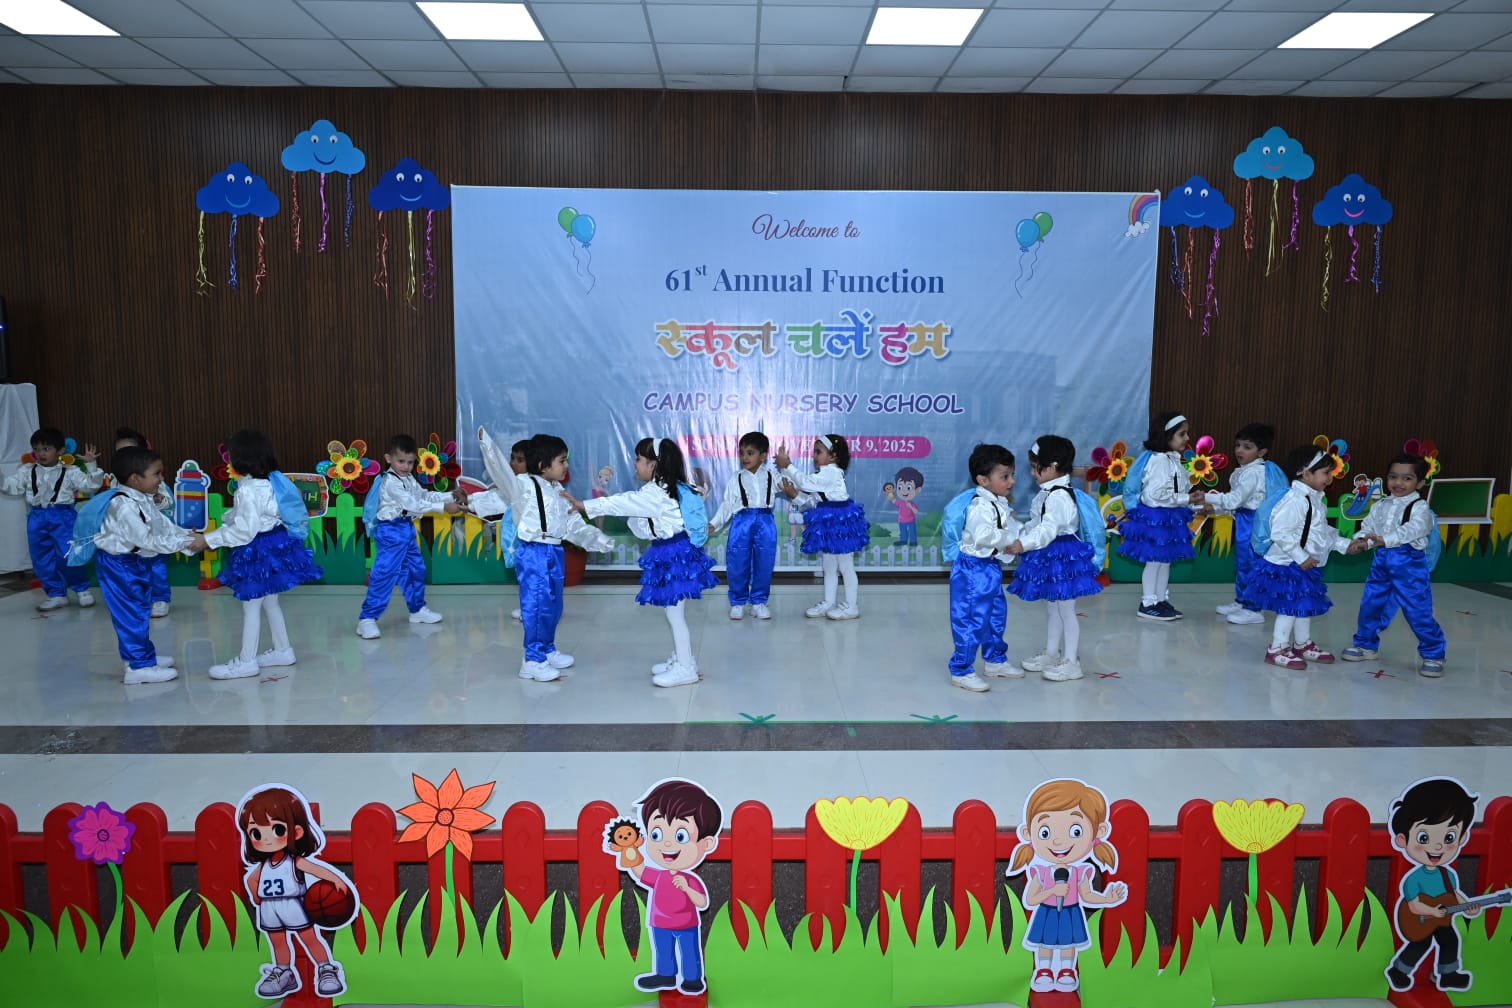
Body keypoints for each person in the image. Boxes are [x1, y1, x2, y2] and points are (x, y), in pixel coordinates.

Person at [574, 437, 717, 688]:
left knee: (675, 614)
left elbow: (622, 502)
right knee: (673, 612)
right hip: (674, 550)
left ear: (654, 464)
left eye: (639, 458)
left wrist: (584, 506)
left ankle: (685, 667)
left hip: (672, 553)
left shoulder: (656, 493)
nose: (635, 463)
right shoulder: (669, 487)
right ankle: (683, 659)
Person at [187, 429, 323, 680]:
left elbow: (244, 530)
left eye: (230, 454)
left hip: (257, 549)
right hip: (274, 543)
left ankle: (246, 661)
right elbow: (247, 516)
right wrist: (218, 530)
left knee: (251, 607)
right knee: (270, 602)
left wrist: (208, 540)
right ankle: (283, 650)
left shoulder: (248, 489)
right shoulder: (270, 481)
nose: (228, 459)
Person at [1249, 444, 1367, 670]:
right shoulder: (1295, 500)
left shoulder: (1314, 500)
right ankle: (1277, 648)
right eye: (1325, 472)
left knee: (1303, 605)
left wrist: (1345, 545)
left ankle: (1302, 644)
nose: (1330, 478)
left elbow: (1321, 533)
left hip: (1303, 565)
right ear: (1305, 473)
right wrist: (1301, 556)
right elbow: (1280, 533)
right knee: (1290, 608)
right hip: (1288, 564)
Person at [1007, 779, 1128, 993]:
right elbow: (1031, 899)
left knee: (1068, 944)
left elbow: (1087, 895)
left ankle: (1066, 971)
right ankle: (1044, 970)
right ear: (1028, 833)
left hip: (1071, 912)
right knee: (1044, 943)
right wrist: (1052, 891)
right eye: (1045, 832)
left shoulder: (1080, 872)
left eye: (1076, 831)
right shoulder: (1041, 872)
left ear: (1098, 831)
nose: (1058, 842)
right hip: (1046, 912)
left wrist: (1106, 899)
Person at [87, 446, 196, 684]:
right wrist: (186, 543)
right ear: (135, 479)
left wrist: (189, 538)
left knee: (139, 610)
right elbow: (147, 539)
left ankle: (140, 657)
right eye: (156, 474)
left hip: (133, 562)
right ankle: (139, 668)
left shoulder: (141, 498)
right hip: (119, 565)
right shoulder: (123, 505)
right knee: (132, 614)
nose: (161, 479)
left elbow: (162, 526)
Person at [510, 433, 613, 682]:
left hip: (554, 552)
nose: (566, 465)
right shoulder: (525, 484)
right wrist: (467, 501)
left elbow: (572, 523)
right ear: (543, 465)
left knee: (553, 605)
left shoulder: (557, 489)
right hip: (534, 552)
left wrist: (597, 539)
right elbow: (498, 495)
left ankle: (546, 648)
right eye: (562, 460)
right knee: (536, 605)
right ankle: (532, 660)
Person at [238, 784, 354, 999]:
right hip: (269, 907)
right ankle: (284, 972)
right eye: (256, 832)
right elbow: (252, 880)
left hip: (293, 904)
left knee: (310, 938)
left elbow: (316, 869)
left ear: (297, 831)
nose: (265, 838)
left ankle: (326, 969)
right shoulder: (264, 866)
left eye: (277, 830)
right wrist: (256, 896)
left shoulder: (293, 862)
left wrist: (337, 880)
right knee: (278, 943)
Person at [1007, 436, 1103, 683]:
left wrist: (1025, 543)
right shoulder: (1048, 493)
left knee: (1066, 610)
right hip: (1051, 553)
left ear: (1052, 467)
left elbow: (1048, 529)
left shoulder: (1059, 496)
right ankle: (1052, 653)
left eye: (1035, 467)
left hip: (1062, 555)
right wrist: (1019, 534)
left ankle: (1071, 662)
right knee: (1053, 607)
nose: (1032, 472)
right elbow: (1036, 524)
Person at [1342, 453, 1447, 677]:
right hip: (1381, 561)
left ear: (1420, 483)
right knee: (1371, 604)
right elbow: (1369, 526)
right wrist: (1363, 540)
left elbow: (1414, 529)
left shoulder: (1420, 508)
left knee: (1417, 610)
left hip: (1409, 564)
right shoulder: (1381, 505)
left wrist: (1385, 539)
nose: (1398, 483)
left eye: (1407, 478)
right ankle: (1366, 644)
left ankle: (1434, 653)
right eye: (1393, 477)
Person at [615, 778, 722, 997]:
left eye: (680, 836)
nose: (667, 843)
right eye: (656, 834)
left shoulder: (689, 879)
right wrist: (628, 851)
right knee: (663, 951)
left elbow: (702, 902)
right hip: (659, 923)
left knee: (689, 952)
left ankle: (692, 978)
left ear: (706, 843)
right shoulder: (660, 876)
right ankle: (665, 974)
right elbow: (640, 872)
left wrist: (687, 889)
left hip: (686, 924)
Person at [355, 434, 466, 640]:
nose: (406, 466)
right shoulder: (391, 482)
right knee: (385, 574)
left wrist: (450, 495)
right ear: (388, 458)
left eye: (410, 462)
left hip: (406, 529)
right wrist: (444, 507)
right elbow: (412, 504)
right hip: (390, 531)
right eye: (401, 461)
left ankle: (417, 609)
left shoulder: (408, 479)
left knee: (416, 569)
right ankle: (367, 618)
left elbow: (423, 495)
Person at [1385, 777, 1479, 993]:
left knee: (1450, 941)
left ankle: (1447, 974)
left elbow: (1454, 895)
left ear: (1462, 837)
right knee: (1421, 944)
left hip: (1442, 920)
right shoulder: (1414, 878)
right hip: (1422, 919)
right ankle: (1399, 971)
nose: (1438, 846)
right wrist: (1432, 911)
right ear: (1402, 840)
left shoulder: (1447, 875)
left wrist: (1468, 907)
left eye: (1449, 837)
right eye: (1424, 838)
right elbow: (1413, 905)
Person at [1, 427, 103, 611]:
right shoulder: (27, 471)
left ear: (60, 450)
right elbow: (11, 486)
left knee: (68, 553)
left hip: (63, 517)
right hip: (37, 517)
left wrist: (91, 465)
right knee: (41, 557)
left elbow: (90, 486)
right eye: (37, 449)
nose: (41, 453)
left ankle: (81, 589)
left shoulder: (70, 471)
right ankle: (56, 594)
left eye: (46, 449)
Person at [946, 444, 1022, 692]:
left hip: (990, 567)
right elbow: (983, 535)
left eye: (1012, 475)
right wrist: (1009, 540)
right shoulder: (979, 506)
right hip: (972, 570)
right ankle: (961, 669)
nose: (1011, 481)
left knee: (994, 615)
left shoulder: (998, 502)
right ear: (982, 480)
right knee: (971, 619)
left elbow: (1009, 527)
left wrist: (1023, 534)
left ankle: (995, 659)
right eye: (1005, 476)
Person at [776, 435, 869, 620]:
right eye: (814, 452)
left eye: (818, 452)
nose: (814, 456)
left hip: (841, 525)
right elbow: (811, 503)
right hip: (829, 523)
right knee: (829, 565)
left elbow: (804, 482)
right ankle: (829, 602)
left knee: (846, 566)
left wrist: (788, 466)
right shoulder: (823, 476)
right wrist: (794, 494)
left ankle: (852, 606)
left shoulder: (831, 473)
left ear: (833, 456)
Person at [1118, 411, 1195, 621]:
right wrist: (1186, 499)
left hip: (1168, 516)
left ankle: (1160, 599)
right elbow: (1154, 496)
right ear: (1166, 435)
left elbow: (1177, 488)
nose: (1187, 438)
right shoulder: (1160, 460)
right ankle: (1148, 602)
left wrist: (1190, 499)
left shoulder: (1172, 459)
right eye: (1182, 434)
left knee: (1164, 561)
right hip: (1156, 517)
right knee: (1154, 561)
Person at [1202, 422, 1277, 626]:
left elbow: (1234, 500)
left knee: (1251, 564)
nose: (1239, 451)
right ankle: (1243, 600)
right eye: (1238, 445)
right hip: (1245, 519)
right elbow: (1239, 504)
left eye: (1247, 447)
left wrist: (1206, 497)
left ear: (1261, 452)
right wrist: (1215, 509)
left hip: (1254, 523)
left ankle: (1254, 608)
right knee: (1243, 563)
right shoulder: (1246, 470)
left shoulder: (1253, 472)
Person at [708, 431, 778, 621]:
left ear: (763, 456)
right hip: (742, 522)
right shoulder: (736, 478)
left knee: (764, 562)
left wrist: (789, 475)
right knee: (737, 560)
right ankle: (738, 602)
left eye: (750, 453)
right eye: (742, 453)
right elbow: (727, 504)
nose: (745, 457)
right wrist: (714, 523)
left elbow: (790, 487)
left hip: (765, 521)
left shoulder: (772, 475)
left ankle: (758, 602)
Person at [112, 427, 176, 617]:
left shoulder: (153, 480)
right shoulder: (117, 483)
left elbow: (169, 503)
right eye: (120, 452)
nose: (125, 456)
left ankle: (160, 598)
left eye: (130, 451)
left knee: (156, 568)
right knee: (134, 570)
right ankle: (139, 598)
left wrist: (159, 500)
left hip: (153, 536)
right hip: (131, 540)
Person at [885, 466, 924, 547]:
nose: (904, 491)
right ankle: (903, 540)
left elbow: (916, 511)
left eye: (909, 487)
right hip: (902, 521)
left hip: (911, 520)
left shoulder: (912, 504)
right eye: (900, 487)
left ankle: (913, 541)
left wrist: (910, 507)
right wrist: (890, 495)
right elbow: (894, 501)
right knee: (903, 531)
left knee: (912, 531)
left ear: (917, 490)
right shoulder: (901, 503)